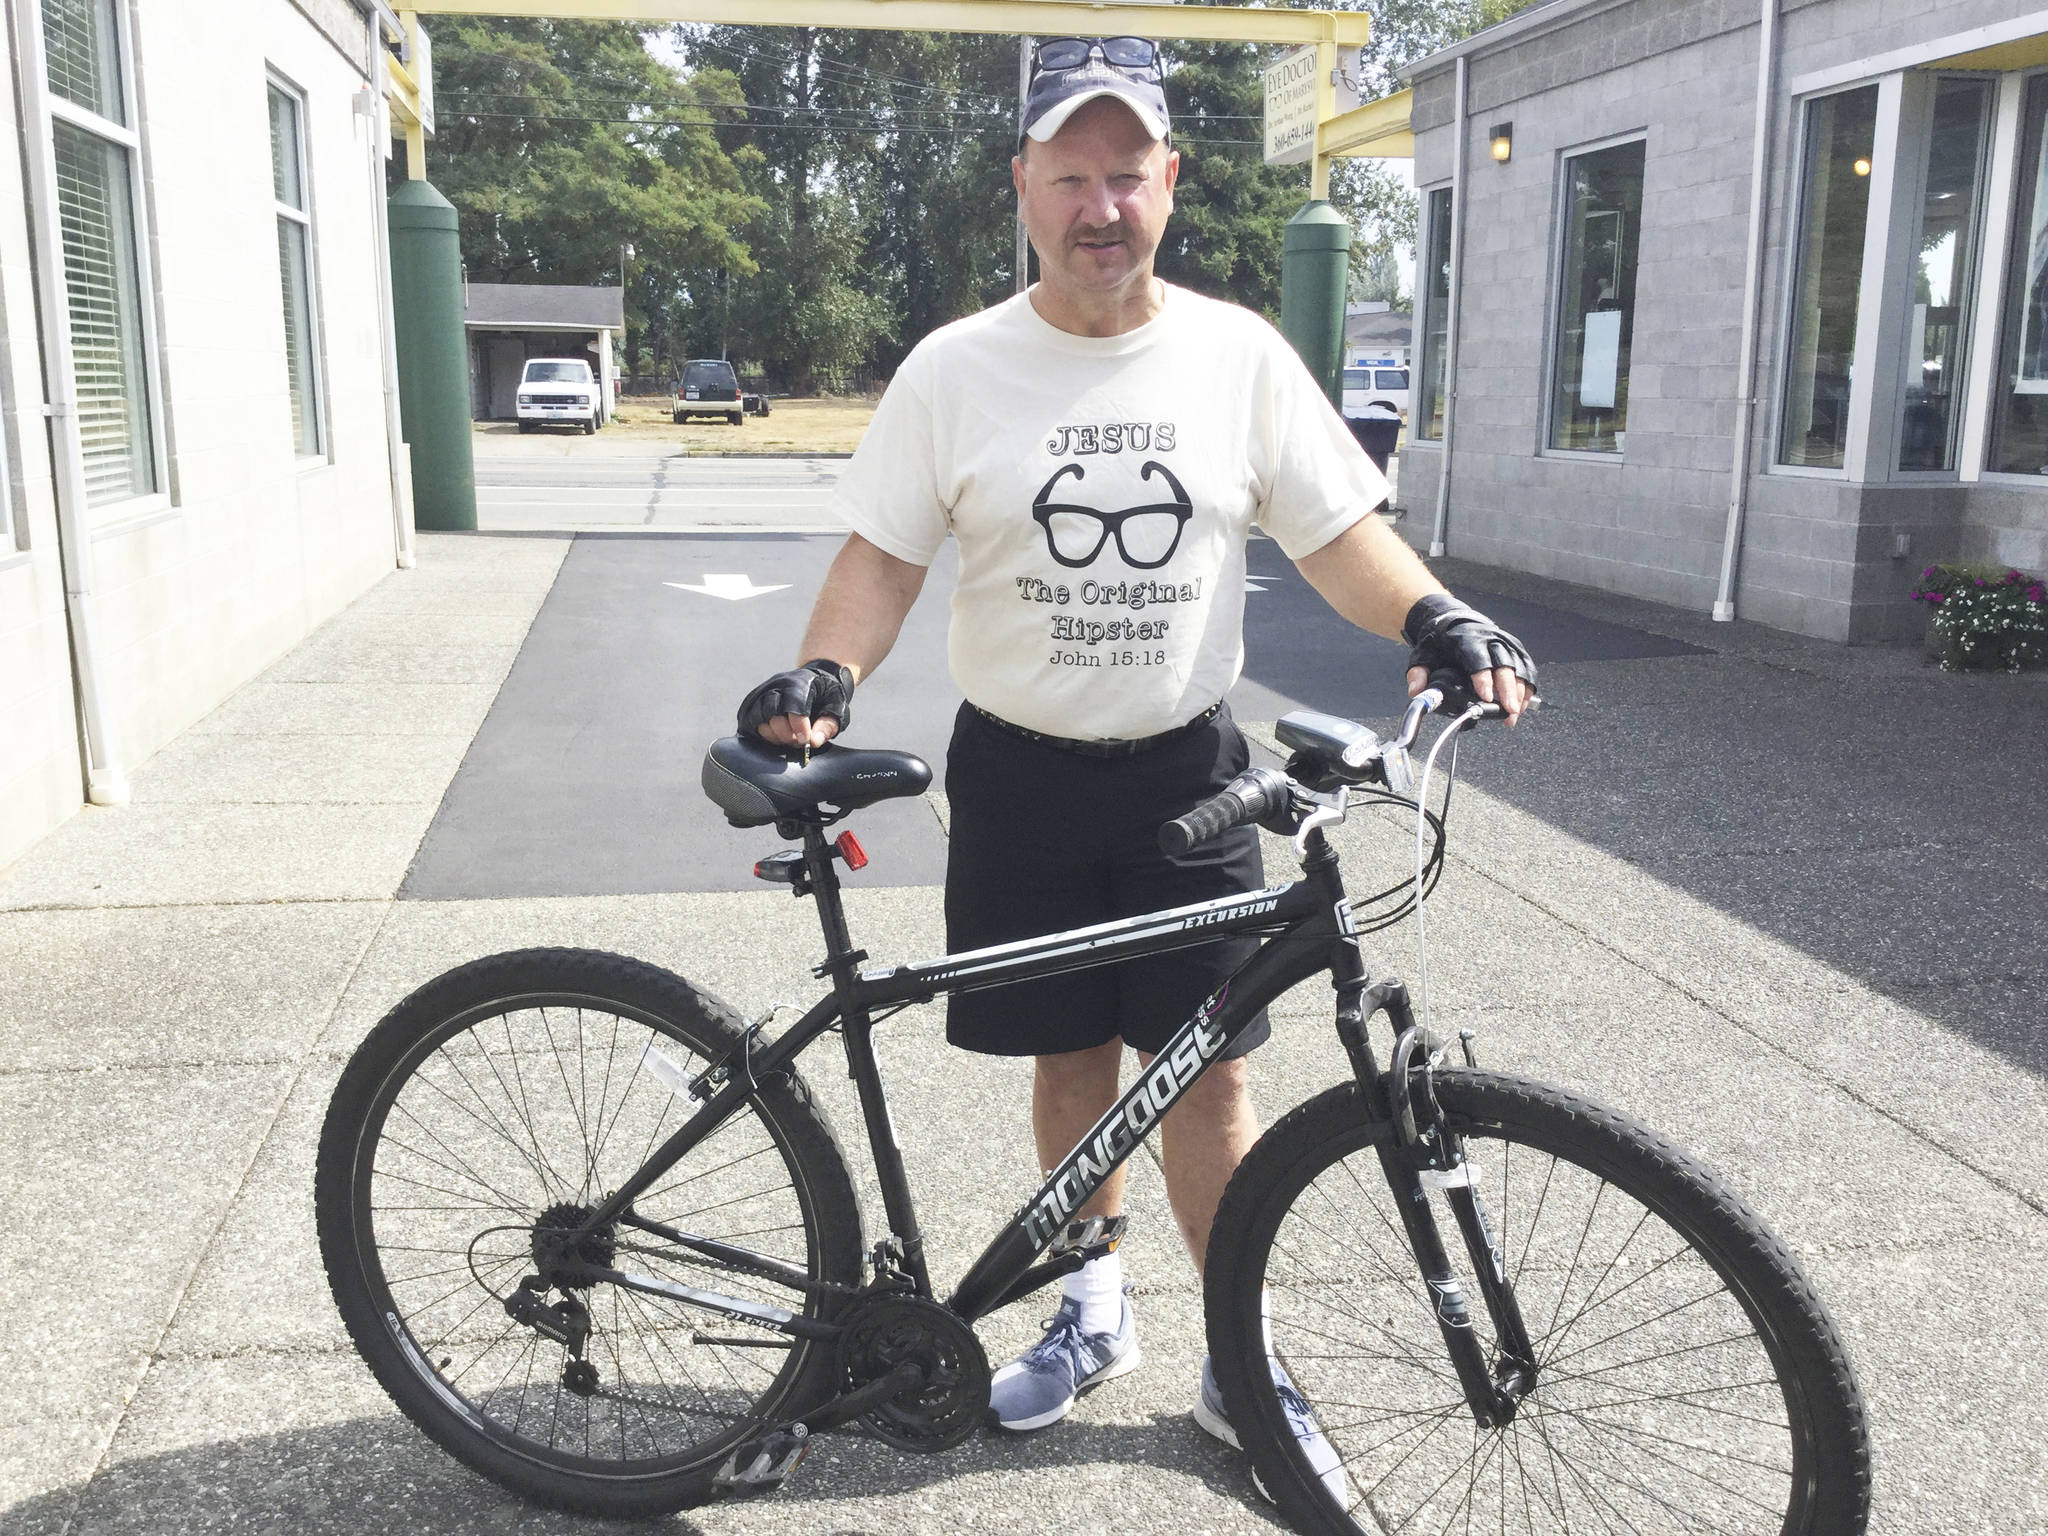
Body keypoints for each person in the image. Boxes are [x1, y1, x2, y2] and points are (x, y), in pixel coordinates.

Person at [734, 34, 1536, 1489]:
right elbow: (883, 556)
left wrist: (1432, 609)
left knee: (1208, 1085)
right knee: (1071, 1066)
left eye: (1128, 174)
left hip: (1190, 775)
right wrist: (826, 675)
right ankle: (1092, 1305)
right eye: (1070, 175)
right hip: (1023, 774)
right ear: (1023, 187)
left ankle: (1239, 1361)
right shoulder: (956, 369)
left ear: (1170, 181)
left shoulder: (1234, 355)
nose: (1101, 206)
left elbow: (1336, 534)